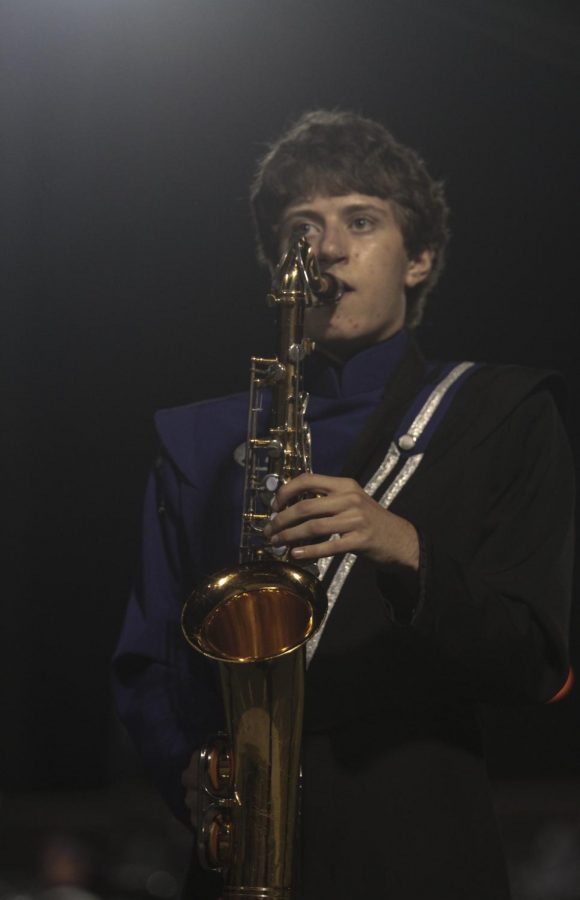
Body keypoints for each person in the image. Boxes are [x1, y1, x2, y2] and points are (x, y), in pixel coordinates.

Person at [112, 110, 574, 899]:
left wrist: (404, 547)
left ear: (419, 258)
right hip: (240, 855)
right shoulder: (197, 440)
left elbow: (535, 656)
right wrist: (188, 771)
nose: (327, 249)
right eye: (303, 226)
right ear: (278, 265)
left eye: (361, 221)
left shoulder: (505, 410)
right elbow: (149, 660)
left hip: (420, 847)